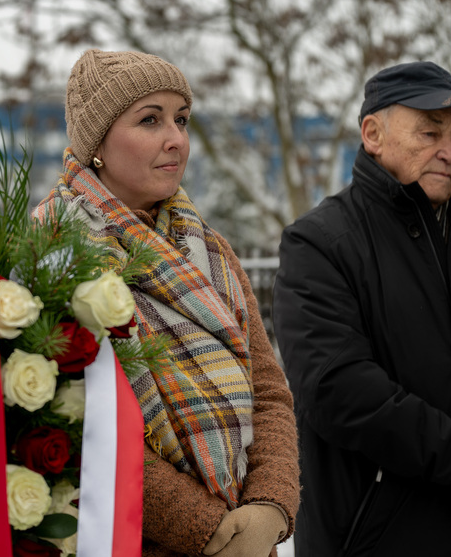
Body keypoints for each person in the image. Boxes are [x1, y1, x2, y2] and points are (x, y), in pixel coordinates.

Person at [272, 61, 451, 556]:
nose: (449, 152)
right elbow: (335, 387)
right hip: (376, 539)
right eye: (430, 132)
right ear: (373, 134)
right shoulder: (319, 243)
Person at [34, 49, 300, 557]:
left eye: (181, 119)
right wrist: (206, 528)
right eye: (150, 120)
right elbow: (74, 420)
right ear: (97, 144)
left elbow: (268, 390)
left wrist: (270, 504)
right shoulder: (53, 251)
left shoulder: (211, 250)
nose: (176, 138)